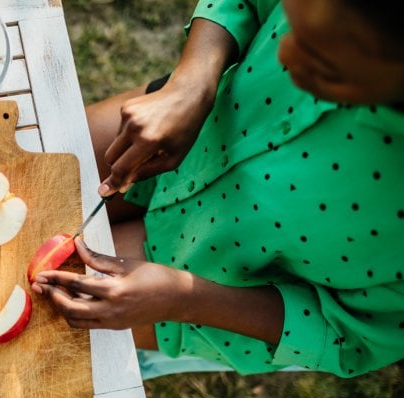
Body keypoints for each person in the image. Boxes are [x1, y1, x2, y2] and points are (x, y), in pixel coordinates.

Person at [30, 0, 404, 378]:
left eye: (327, 67)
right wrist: (192, 83)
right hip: (191, 125)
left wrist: (182, 299)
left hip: (211, 274)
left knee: (40, 323)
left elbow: (353, 337)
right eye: (289, 26)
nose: (285, 55)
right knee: (30, 178)